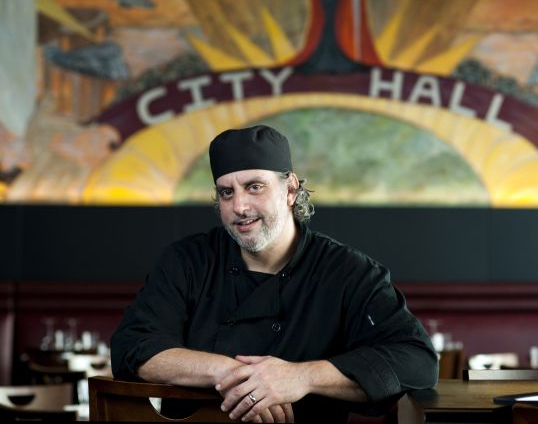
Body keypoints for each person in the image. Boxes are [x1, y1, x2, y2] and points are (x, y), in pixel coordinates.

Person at [111, 125, 438, 423]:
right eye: (226, 192)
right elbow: (132, 345)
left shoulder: (347, 272)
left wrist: (299, 377)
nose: (239, 206)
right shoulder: (188, 261)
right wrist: (232, 372)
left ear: (290, 190)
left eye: (254, 187)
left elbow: (417, 362)